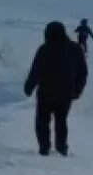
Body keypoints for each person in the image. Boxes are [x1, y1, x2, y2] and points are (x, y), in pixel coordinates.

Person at [24, 21, 88, 157]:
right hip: (66, 94)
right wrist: (77, 90)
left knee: (42, 121)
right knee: (61, 121)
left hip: (45, 93)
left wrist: (29, 87)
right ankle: (61, 148)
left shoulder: (44, 49)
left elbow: (36, 71)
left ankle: (44, 148)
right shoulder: (75, 49)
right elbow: (83, 72)